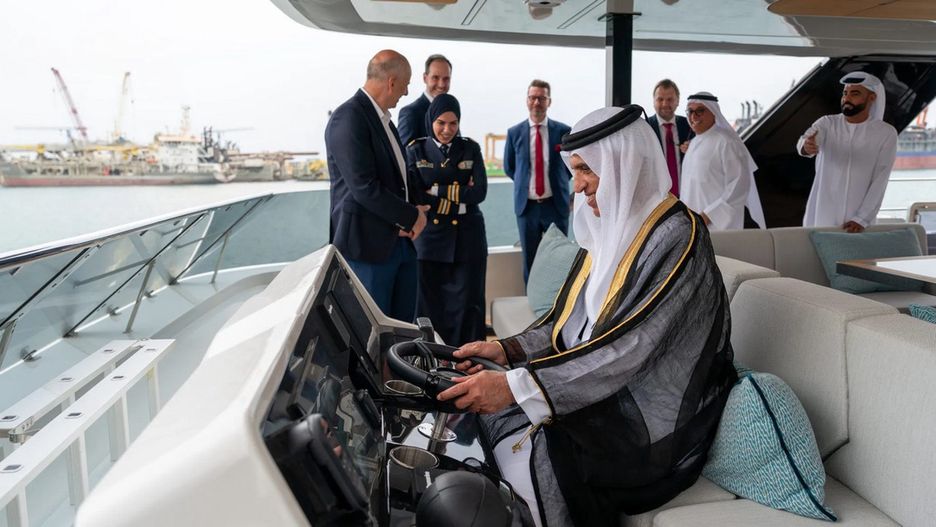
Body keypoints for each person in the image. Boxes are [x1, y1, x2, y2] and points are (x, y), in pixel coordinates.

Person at [438, 106, 738, 527]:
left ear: (623, 166)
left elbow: (632, 347)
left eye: (585, 170)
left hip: (649, 409)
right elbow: (567, 324)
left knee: (545, 452)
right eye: (574, 170)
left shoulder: (678, 234)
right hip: (599, 385)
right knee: (483, 423)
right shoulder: (606, 227)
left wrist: (516, 386)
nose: (576, 185)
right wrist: (505, 351)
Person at [324, 50, 430, 322]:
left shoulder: (384, 121)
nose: (406, 92)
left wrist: (414, 209)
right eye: (406, 84)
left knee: (403, 330)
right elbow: (364, 187)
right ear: (392, 82)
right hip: (366, 249)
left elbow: (397, 177)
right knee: (372, 331)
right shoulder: (348, 117)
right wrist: (412, 217)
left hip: (399, 243)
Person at [405, 94, 488, 346]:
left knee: (468, 306)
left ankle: (470, 359)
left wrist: (436, 190)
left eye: (453, 123)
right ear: (431, 121)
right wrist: (460, 198)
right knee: (429, 308)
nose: (447, 130)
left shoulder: (470, 148)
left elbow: (479, 193)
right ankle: (432, 359)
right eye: (441, 123)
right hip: (430, 240)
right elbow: (416, 194)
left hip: (468, 238)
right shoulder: (416, 150)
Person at [797, 72, 898, 232]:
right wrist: (807, 146)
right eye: (845, 93)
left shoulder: (885, 133)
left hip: (858, 222)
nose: (846, 98)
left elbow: (880, 180)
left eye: (855, 93)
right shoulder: (827, 123)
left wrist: (862, 219)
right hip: (823, 213)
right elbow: (808, 139)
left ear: (872, 98)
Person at [504, 79, 573, 283]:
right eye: (533, 97)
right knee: (530, 261)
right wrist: (527, 186)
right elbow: (510, 167)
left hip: (555, 206)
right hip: (527, 208)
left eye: (541, 98)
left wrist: (559, 183)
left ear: (549, 101)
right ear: (527, 100)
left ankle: (559, 301)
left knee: (559, 260)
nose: (537, 102)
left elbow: (570, 167)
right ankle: (531, 302)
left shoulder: (563, 131)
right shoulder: (514, 133)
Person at [680, 92, 766, 230]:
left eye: (700, 111)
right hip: (693, 225)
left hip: (718, 226)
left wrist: (708, 216)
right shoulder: (694, 142)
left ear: (713, 112)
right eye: (690, 111)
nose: (693, 116)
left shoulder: (727, 142)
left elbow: (739, 186)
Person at [645, 79, 694, 196]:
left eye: (670, 99)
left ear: (678, 101)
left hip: (687, 196)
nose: (665, 104)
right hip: (655, 197)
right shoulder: (645, 127)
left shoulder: (690, 126)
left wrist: (693, 150)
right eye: (660, 99)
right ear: (653, 101)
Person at [398, 54, 453, 146]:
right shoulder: (411, 113)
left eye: (446, 79)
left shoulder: (451, 111)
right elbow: (403, 152)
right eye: (435, 78)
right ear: (425, 78)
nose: (441, 84)